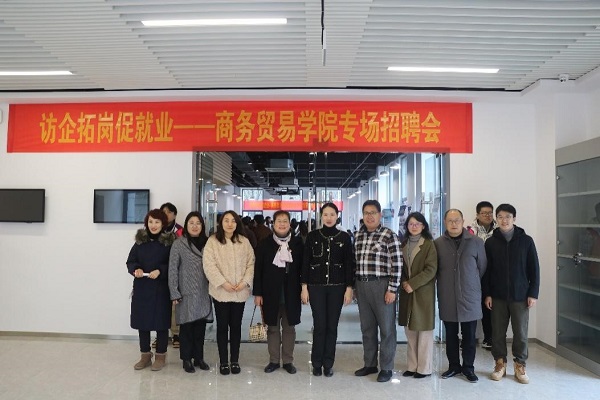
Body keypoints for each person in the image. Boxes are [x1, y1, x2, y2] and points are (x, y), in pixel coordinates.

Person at [484, 204, 540, 384]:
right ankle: (500, 363)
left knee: (521, 332)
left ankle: (520, 365)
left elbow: (534, 269)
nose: (504, 220)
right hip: (497, 295)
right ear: (496, 219)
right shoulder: (490, 242)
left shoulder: (526, 241)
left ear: (514, 219)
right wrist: (487, 294)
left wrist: (533, 293)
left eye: (508, 216)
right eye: (500, 217)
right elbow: (487, 271)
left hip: (520, 295)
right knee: (497, 332)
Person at [301, 203, 354, 377]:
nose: (329, 218)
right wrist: (304, 287)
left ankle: (328, 363)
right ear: (321, 216)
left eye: (332, 214)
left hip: (337, 288)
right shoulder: (313, 236)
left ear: (337, 216)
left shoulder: (344, 238)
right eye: (325, 214)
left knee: (332, 326)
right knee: (319, 326)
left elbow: (349, 264)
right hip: (316, 287)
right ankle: (316, 363)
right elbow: (306, 262)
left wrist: (349, 288)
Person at [434, 209, 487, 383]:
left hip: (469, 296)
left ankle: (468, 368)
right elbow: (435, 269)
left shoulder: (476, 242)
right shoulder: (438, 244)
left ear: (463, 222)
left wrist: (469, 282)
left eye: (457, 220)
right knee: (450, 335)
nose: (454, 224)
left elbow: (482, 267)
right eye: (450, 220)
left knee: (469, 336)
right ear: (445, 222)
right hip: (448, 295)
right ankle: (454, 366)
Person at [353, 200, 402, 383]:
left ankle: (387, 367)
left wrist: (392, 289)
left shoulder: (389, 235)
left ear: (380, 215)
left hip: (382, 285)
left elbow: (397, 264)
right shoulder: (358, 235)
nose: (370, 216)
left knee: (387, 329)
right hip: (362, 285)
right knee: (367, 328)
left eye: (373, 212)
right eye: (366, 213)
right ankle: (370, 364)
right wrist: (355, 287)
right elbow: (355, 262)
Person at [203, 210, 255, 375]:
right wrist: (223, 283)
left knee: (236, 327)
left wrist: (244, 282)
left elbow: (251, 263)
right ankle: (224, 361)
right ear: (221, 223)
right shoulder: (213, 241)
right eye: (226, 220)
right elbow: (208, 265)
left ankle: (235, 360)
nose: (230, 224)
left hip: (240, 291)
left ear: (237, 223)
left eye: (233, 220)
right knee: (222, 327)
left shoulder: (244, 241)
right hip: (221, 292)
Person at [254, 210, 303, 375]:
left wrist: (304, 289)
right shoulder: (264, 244)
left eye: (285, 221)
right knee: (273, 328)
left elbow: (303, 268)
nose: (282, 224)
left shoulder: (297, 243)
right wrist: (258, 294)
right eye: (279, 221)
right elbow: (258, 270)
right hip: (270, 293)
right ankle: (274, 360)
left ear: (290, 224)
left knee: (289, 328)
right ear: (273, 224)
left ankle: (288, 361)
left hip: (292, 293)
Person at [126, 209, 176, 371]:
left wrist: (160, 270)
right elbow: (130, 261)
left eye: (157, 222)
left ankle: (160, 356)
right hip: (142, 288)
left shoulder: (169, 243)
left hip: (161, 289)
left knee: (161, 323)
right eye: (150, 222)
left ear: (163, 224)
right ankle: (145, 355)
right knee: (143, 323)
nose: (153, 225)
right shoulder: (140, 242)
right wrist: (136, 269)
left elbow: (173, 264)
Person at [168, 211, 213, 373]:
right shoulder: (178, 244)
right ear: (186, 225)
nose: (195, 226)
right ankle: (186, 359)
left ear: (202, 226)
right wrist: (174, 292)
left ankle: (199, 357)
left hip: (203, 291)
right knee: (186, 328)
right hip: (185, 291)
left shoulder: (209, 243)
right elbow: (173, 269)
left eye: (198, 223)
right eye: (191, 223)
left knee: (200, 327)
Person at [398, 212, 438, 379]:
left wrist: (412, 284)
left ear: (423, 226)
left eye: (417, 224)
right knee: (410, 331)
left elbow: (431, 270)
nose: (414, 227)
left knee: (424, 331)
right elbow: (399, 267)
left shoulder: (429, 244)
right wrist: (403, 283)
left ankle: (424, 368)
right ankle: (412, 365)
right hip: (406, 292)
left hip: (423, 292)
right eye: (411, 224)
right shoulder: (403, 244)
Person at [467, 201, 496, 350]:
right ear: (477, 215)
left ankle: (489, 338)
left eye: (490, 213)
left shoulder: (498, 230)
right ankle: (468, 338)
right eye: (484, 213)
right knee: (471, 305)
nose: (487, 216)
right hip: (474, 272)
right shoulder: (469, 231)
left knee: (489, 305)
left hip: (492, 272)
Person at [161, 202, 183, 349]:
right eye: (164, 211)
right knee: (161, 304)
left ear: (175, 214)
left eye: (169, 212)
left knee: (175, 304)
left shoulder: (180, 230)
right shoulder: (156, 228)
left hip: (176, 271)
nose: (166, 214)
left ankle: (176, 334)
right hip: (160, 272)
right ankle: (161, 334)